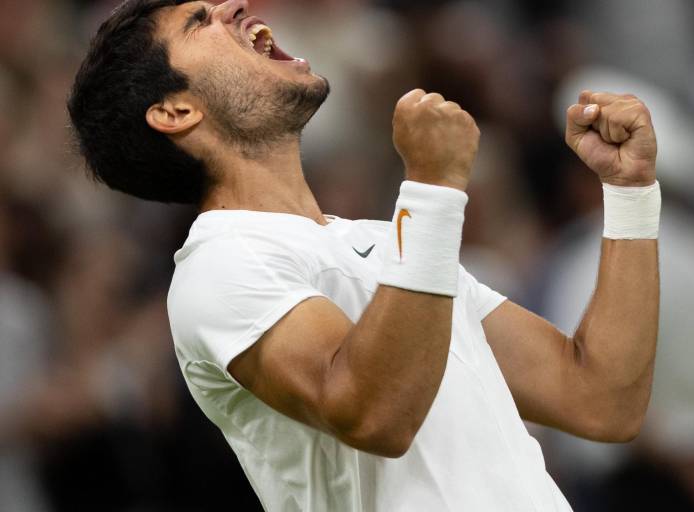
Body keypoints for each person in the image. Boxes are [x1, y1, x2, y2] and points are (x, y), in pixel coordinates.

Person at [67, 0, 661, 510]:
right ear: (176, 113)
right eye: (199, 21)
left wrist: (630, 193)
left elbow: (600, 398)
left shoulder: (390, 244)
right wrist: (431, 187)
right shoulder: (216, 265)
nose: (233, 8)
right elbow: (376, 415)